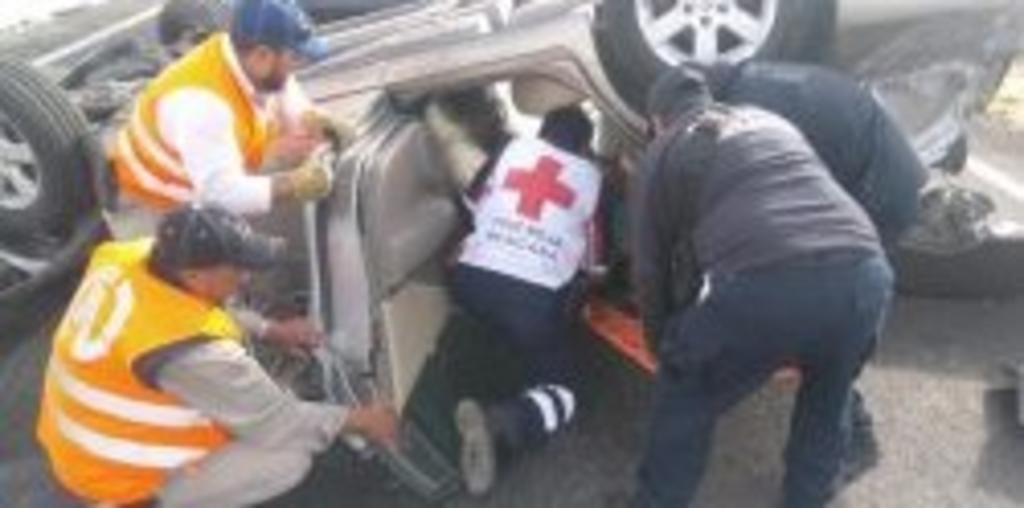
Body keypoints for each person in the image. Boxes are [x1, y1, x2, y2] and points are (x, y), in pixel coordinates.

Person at [631, 69, 894, 507]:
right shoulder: (770, 121)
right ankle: (807, 498)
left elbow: (649, 268)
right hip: (866, 275)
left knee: (686, 389)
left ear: (658, 119)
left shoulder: (665, 147)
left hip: (767, 283)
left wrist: (665, 348)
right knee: (828, 397)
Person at [37, 205, 397, 507]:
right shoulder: (190, 353)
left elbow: (193, 308)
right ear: (193, 274)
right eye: (237, 269)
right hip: (113, 473)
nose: (247, 277)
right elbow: (279, 424)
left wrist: (270, 329)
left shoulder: (130, 257)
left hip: (77, 436)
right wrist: (361, 419)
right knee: (289, 458)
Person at [695, 59, 930, 482]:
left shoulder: (753, 115)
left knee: (835, 316)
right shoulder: (756, 76)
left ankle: (852, 438)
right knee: (820, 301)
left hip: (878, 192)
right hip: (884, 169)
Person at [451, 106, 602, 495]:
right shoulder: (591, 177)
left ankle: (497, 367)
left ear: (542, 132)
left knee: (510, 323)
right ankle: (504, 421)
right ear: (585, 147)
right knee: (565, 390)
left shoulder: (511, 149)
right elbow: (594, 262)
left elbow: (471, 203)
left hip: (470, 281)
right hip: (530, 303)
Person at [108, 0, 347, 237]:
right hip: (153, 205)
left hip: (202, 175)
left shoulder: (244, 56)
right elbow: (220, 195)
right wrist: (293, 184)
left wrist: (309, 117)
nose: (299, 65)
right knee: (218, 258)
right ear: (262, 56)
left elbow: (284, 89)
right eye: (294, 58)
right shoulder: (204, 106)